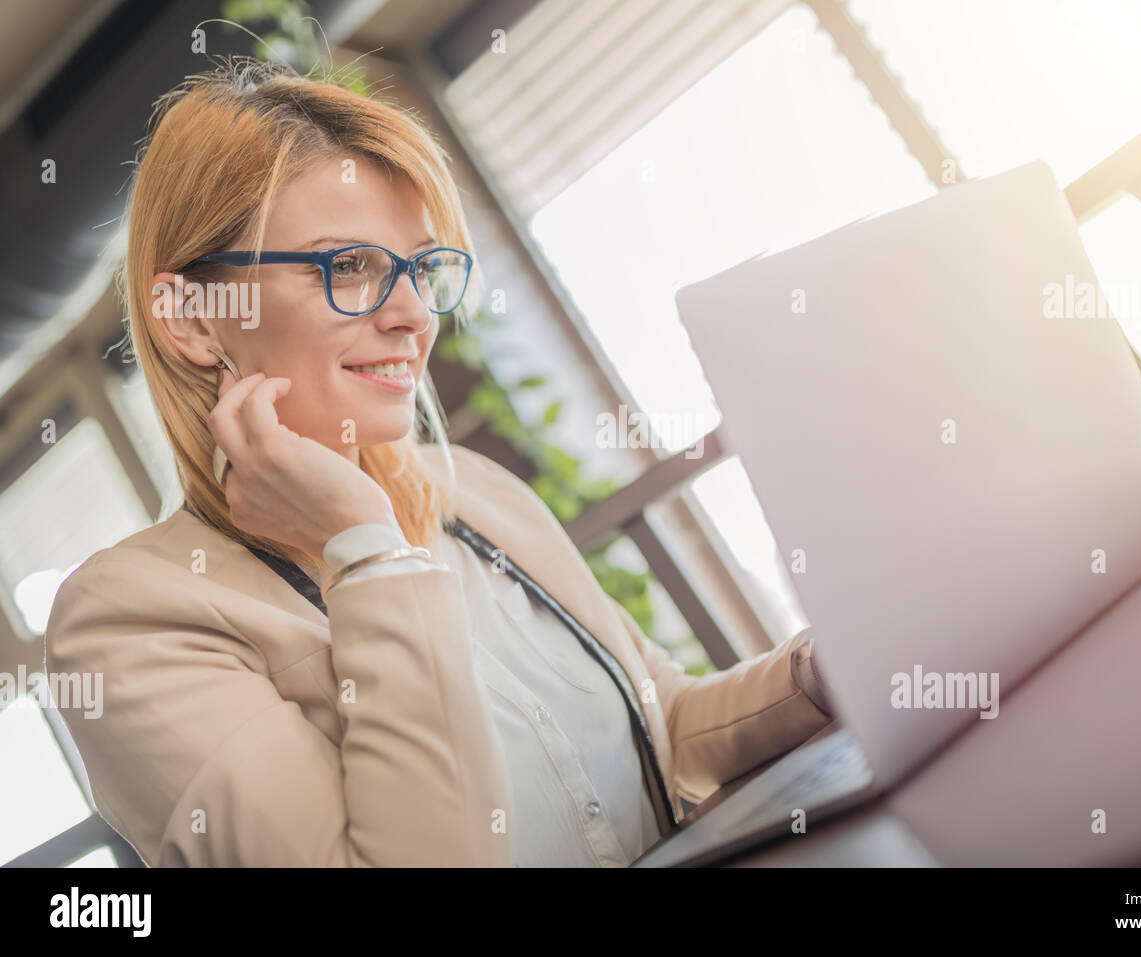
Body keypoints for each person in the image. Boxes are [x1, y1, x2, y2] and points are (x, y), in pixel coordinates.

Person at [44, 58, 833, 867]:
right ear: (194, 321)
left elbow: (661, 723)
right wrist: (365, 545)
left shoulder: (476, 495)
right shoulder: (125, 620)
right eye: (346, 266)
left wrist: (823, 676)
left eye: (421, 267)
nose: (414, 314)